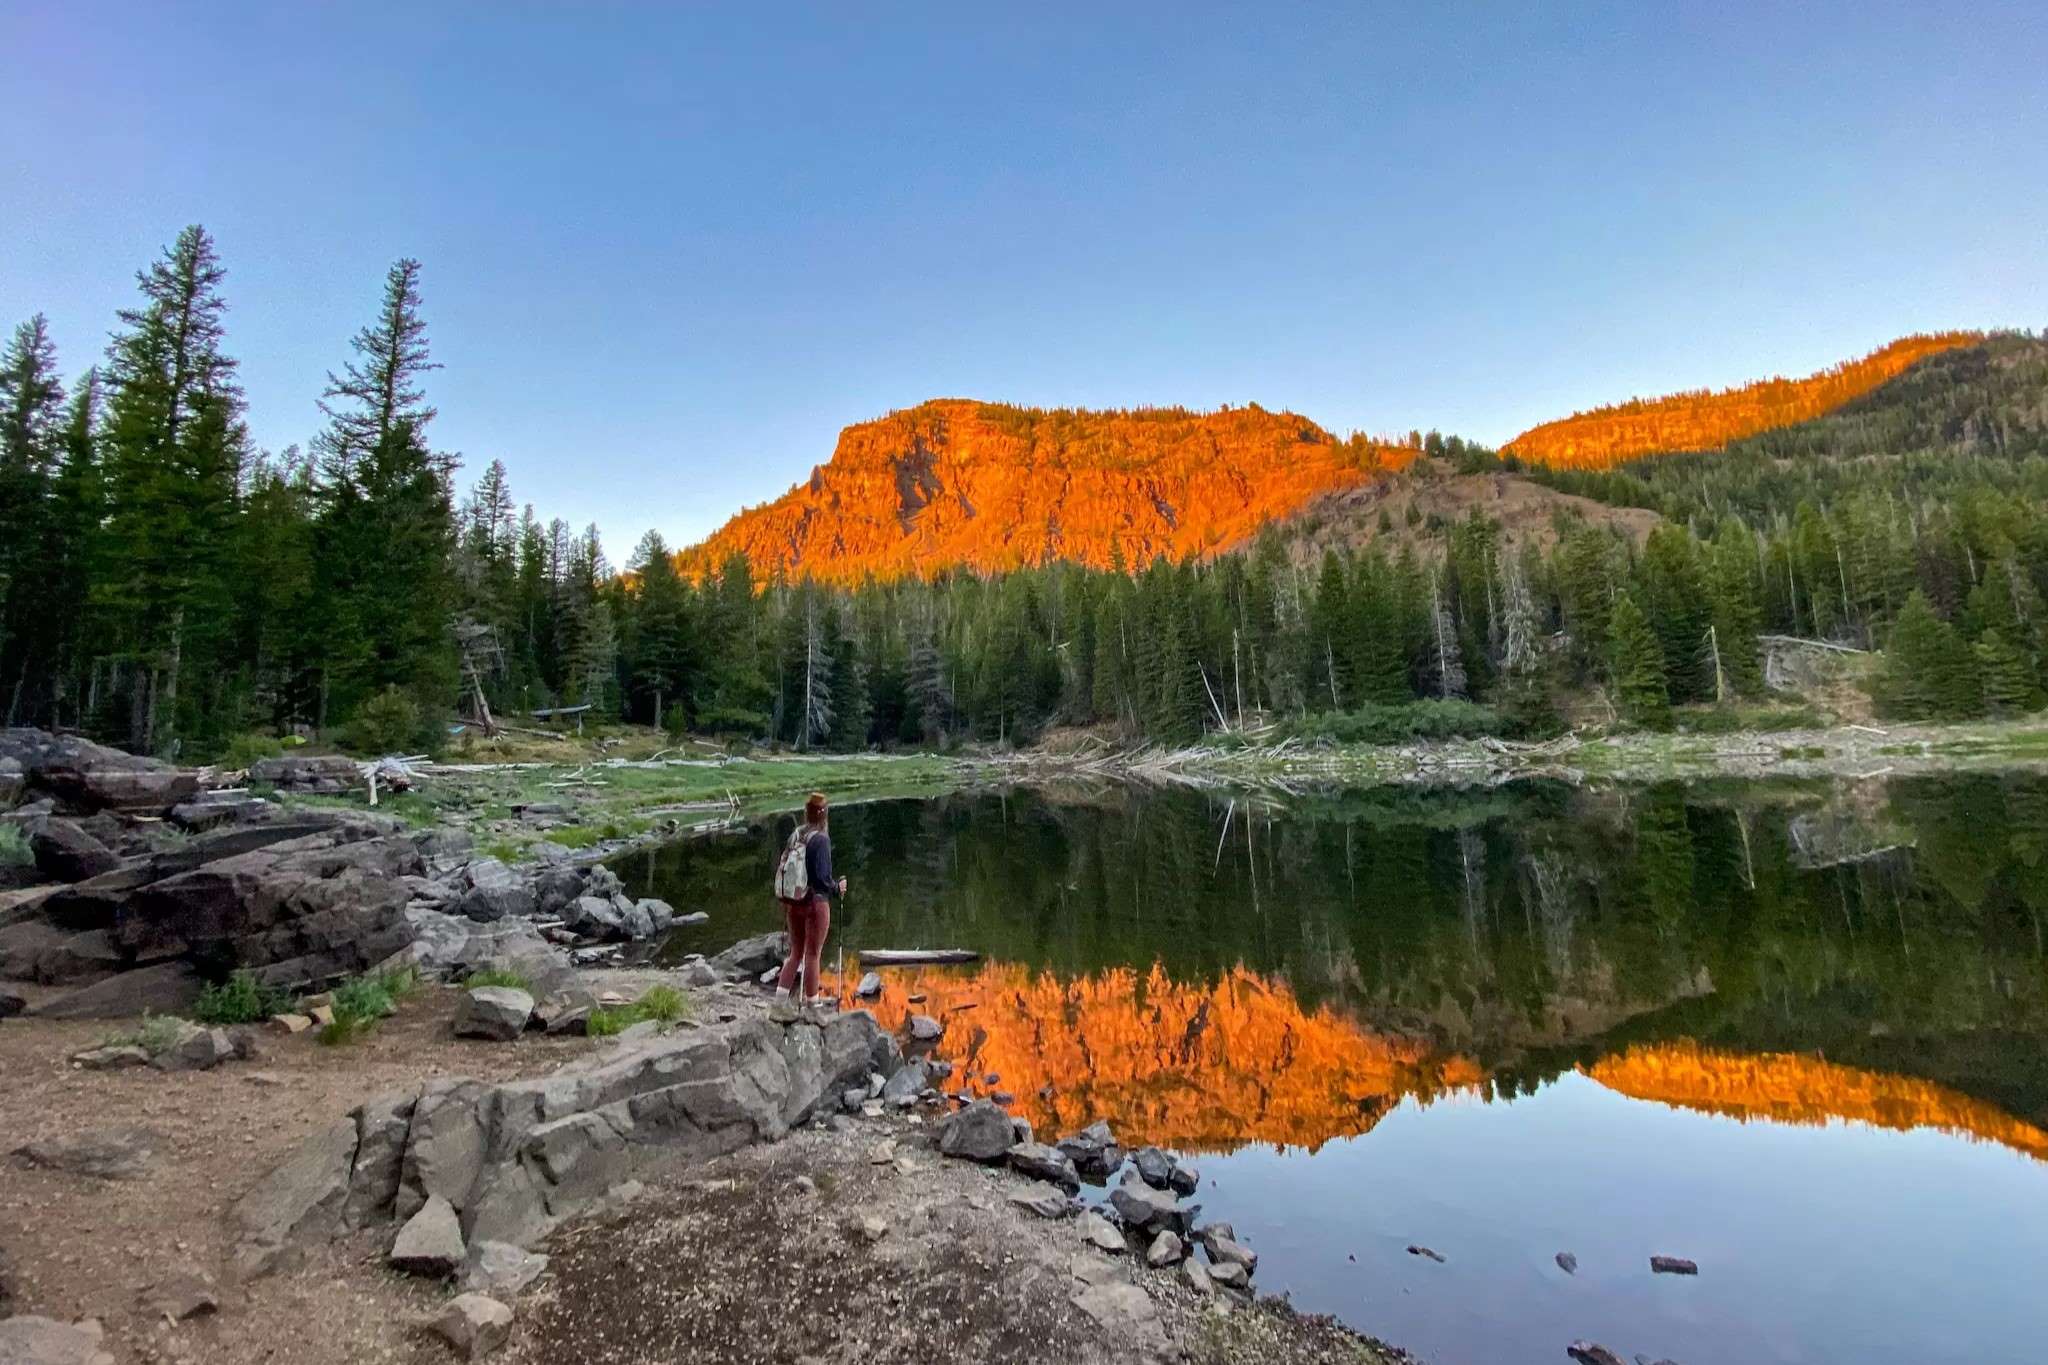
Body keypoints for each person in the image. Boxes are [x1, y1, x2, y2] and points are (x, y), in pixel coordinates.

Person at [773, 791, 845, 1018]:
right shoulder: (821, 839)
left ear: (807, 813)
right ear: (823, 814)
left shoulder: (797, 835)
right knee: (813, 954)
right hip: (815, 904)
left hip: (794, 902)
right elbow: (823, 880)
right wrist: (838, 888)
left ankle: (779, 1004)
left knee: (796, 953)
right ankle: (813, 1007)